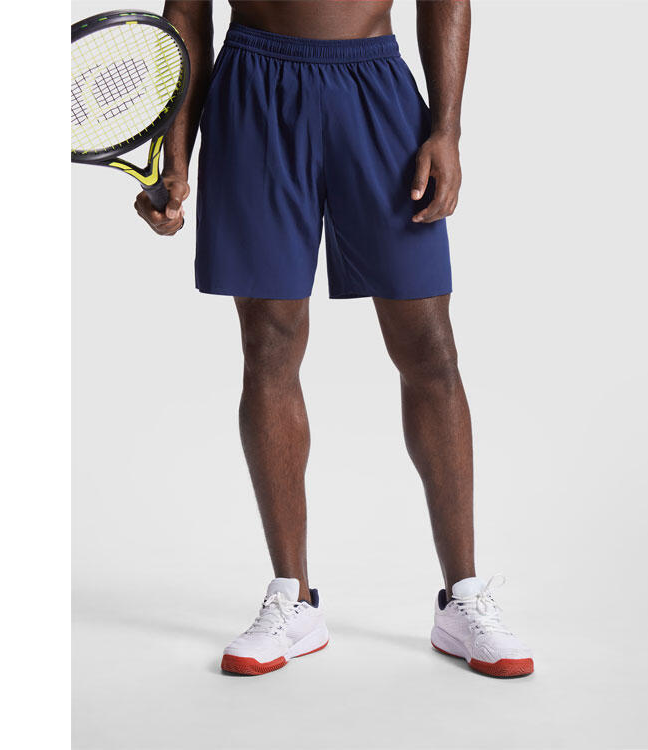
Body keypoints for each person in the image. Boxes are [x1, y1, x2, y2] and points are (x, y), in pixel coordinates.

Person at [135, 0, 533, 678]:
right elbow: (187, 16)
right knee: (269, 344)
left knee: (429, 348)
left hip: (373, 89)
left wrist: (447, 130)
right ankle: (293, 598)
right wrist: (173, 153)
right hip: (253, 89)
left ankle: (462, 597)